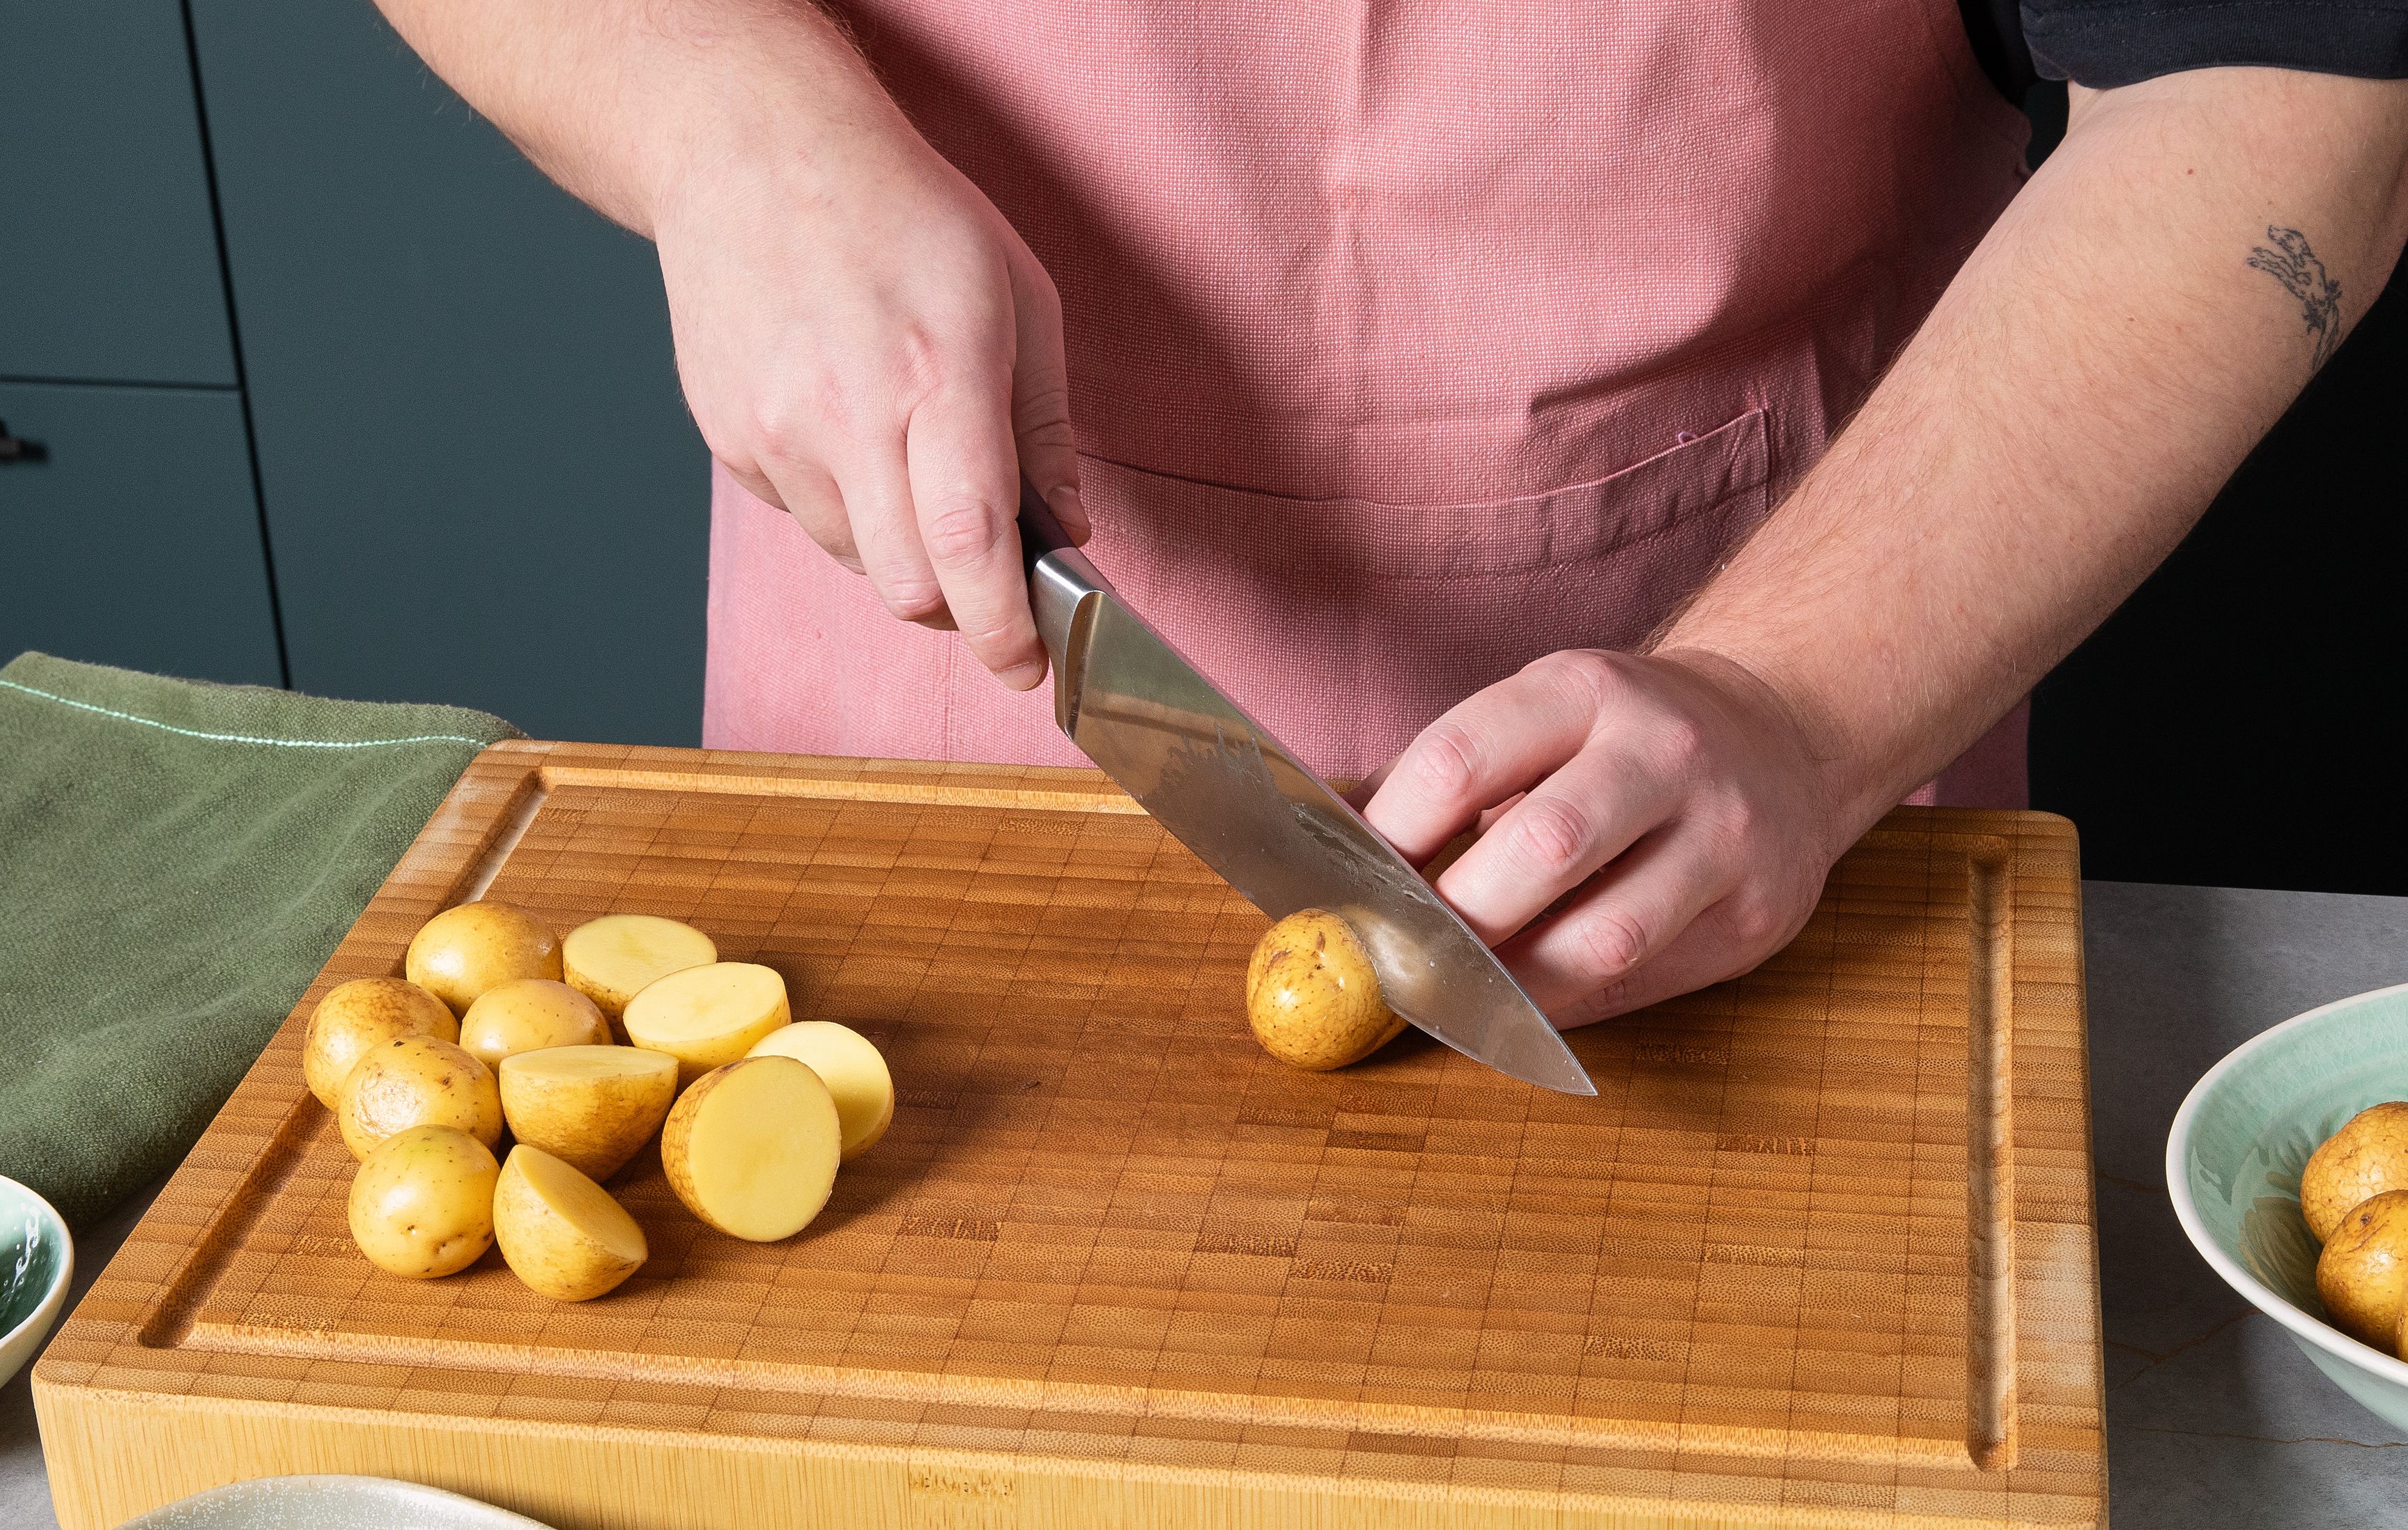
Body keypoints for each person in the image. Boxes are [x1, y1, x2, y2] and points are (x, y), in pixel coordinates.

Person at [374, 1, 2408, 1026]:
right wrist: (721, 118)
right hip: (922, 671)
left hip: (1771, 773)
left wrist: (1793, 699)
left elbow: (2286, 82)